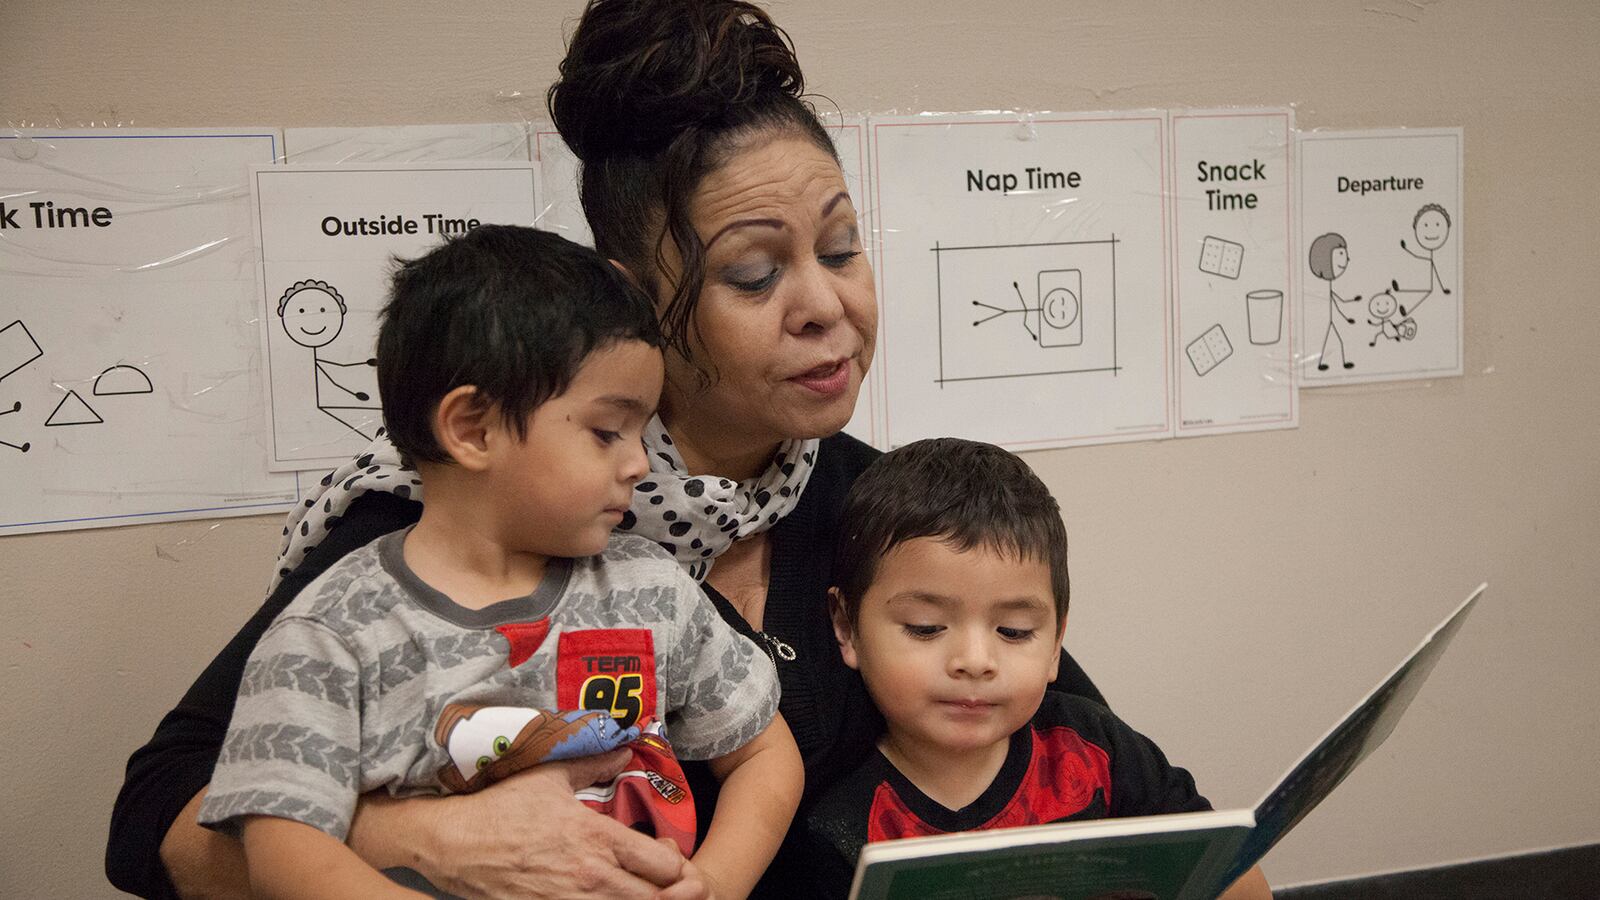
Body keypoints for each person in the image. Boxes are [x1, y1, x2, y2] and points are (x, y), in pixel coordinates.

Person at [106, 2, 1105, 897]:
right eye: (754, 275)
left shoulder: (876, 500)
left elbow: (1076, 733)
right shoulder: (452, 524)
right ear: (638, 297)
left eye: (840, 250)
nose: (825, 306)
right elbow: (155, 819)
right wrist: (422, 837)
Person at [195, 225, 801, 899]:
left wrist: (716, 881)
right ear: (473, 428)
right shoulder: (331, 633)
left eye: (643, 431)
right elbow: (283, 856)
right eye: (607, 431)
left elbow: (764, 753)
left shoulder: (651, 589)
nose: (639, 463)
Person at [805, 439, 1272, 899]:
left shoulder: (1097, 752)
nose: (974, 661)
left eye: (1013, 631)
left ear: (1055, 646)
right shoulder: (837, 820)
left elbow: (1233, 880)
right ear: (847, 628)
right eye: (926, 628)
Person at [1308, 232, 1362, 371]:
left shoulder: (1327, 289)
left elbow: (1339, 302)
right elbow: (1338, 303)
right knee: (1328, 340)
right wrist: (1346, 317)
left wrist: (1348, 314)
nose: (1345, 260)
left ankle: (1338, 362)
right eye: (1340, 254)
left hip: (1331, 320)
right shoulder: (1321, 292)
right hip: (1325, 320)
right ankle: (1321, 363)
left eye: (1344, 255)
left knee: (1336, 339)